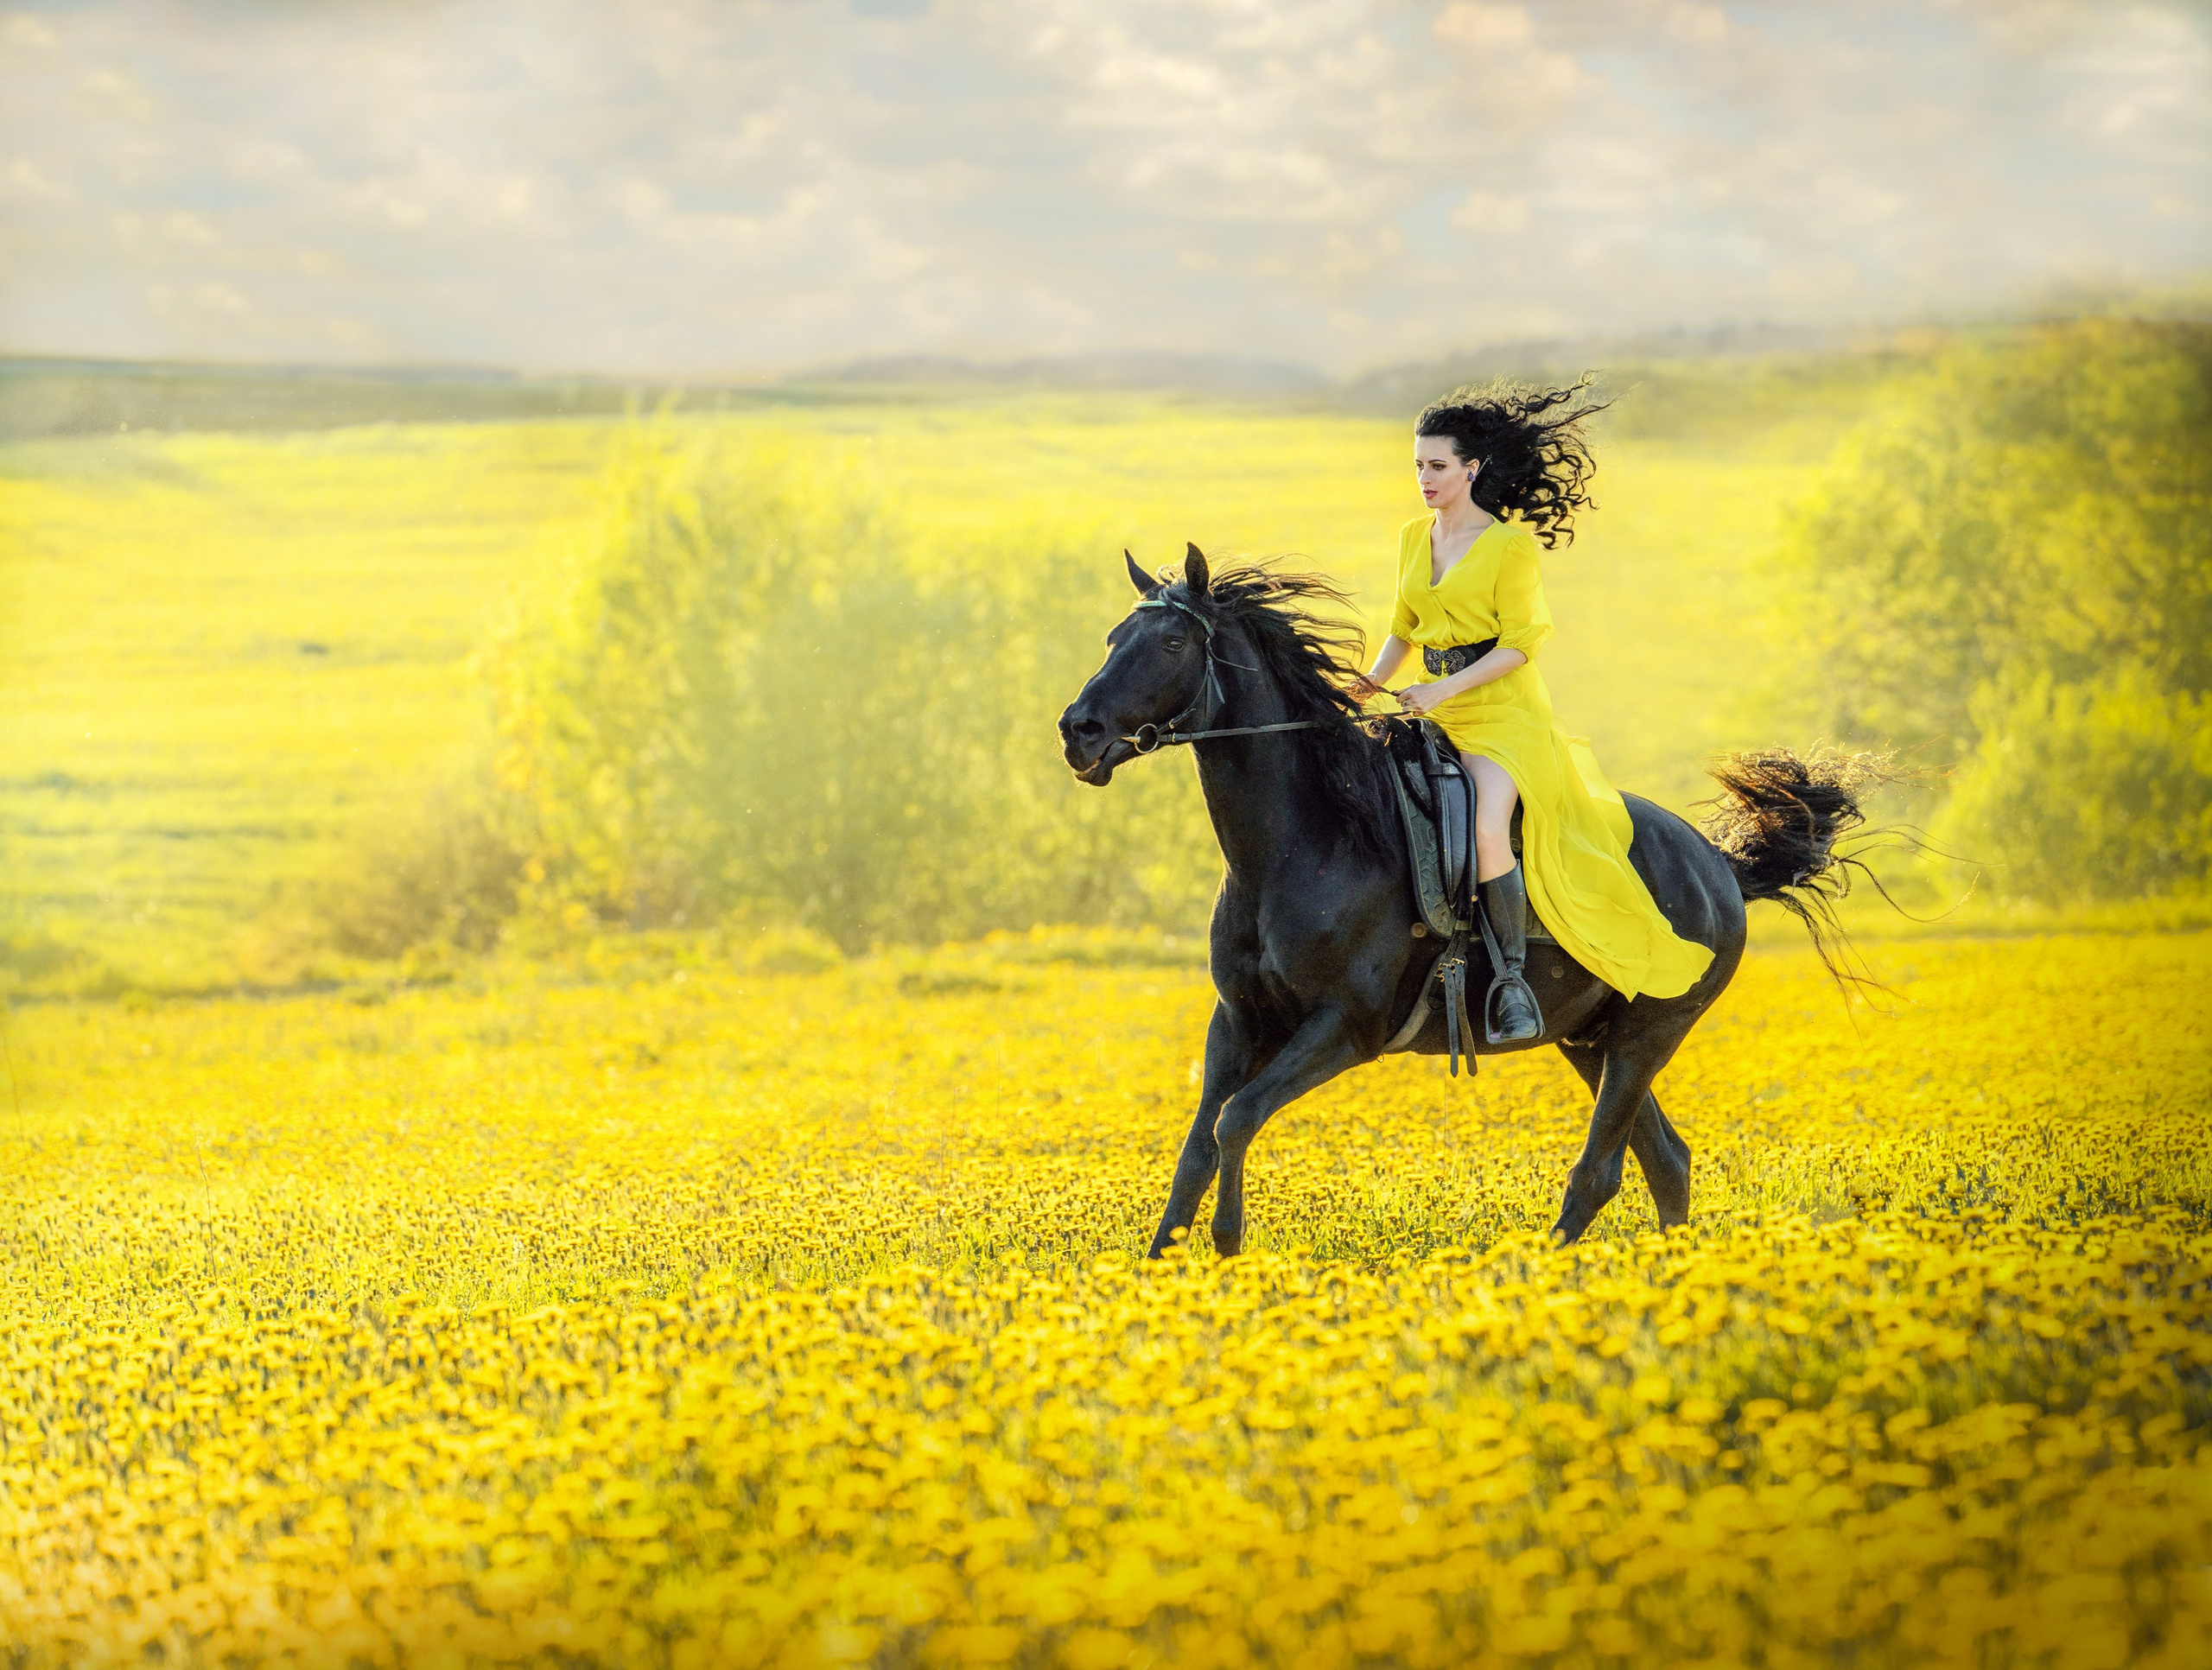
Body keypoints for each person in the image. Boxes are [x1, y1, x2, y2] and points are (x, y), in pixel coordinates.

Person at [1348, 380, 1714, 1038]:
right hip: (1432, 711)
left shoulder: (1508, 547)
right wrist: (1369, 682)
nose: (1425, 480)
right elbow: (1403, 627)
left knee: (1489, 828)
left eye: (1437, 467)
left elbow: (1520, 646)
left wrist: (1440, 690)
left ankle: (1513, 979)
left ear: (1472, 469)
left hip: (1502, 717)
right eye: (1417, 467)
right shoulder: (1412, 537)